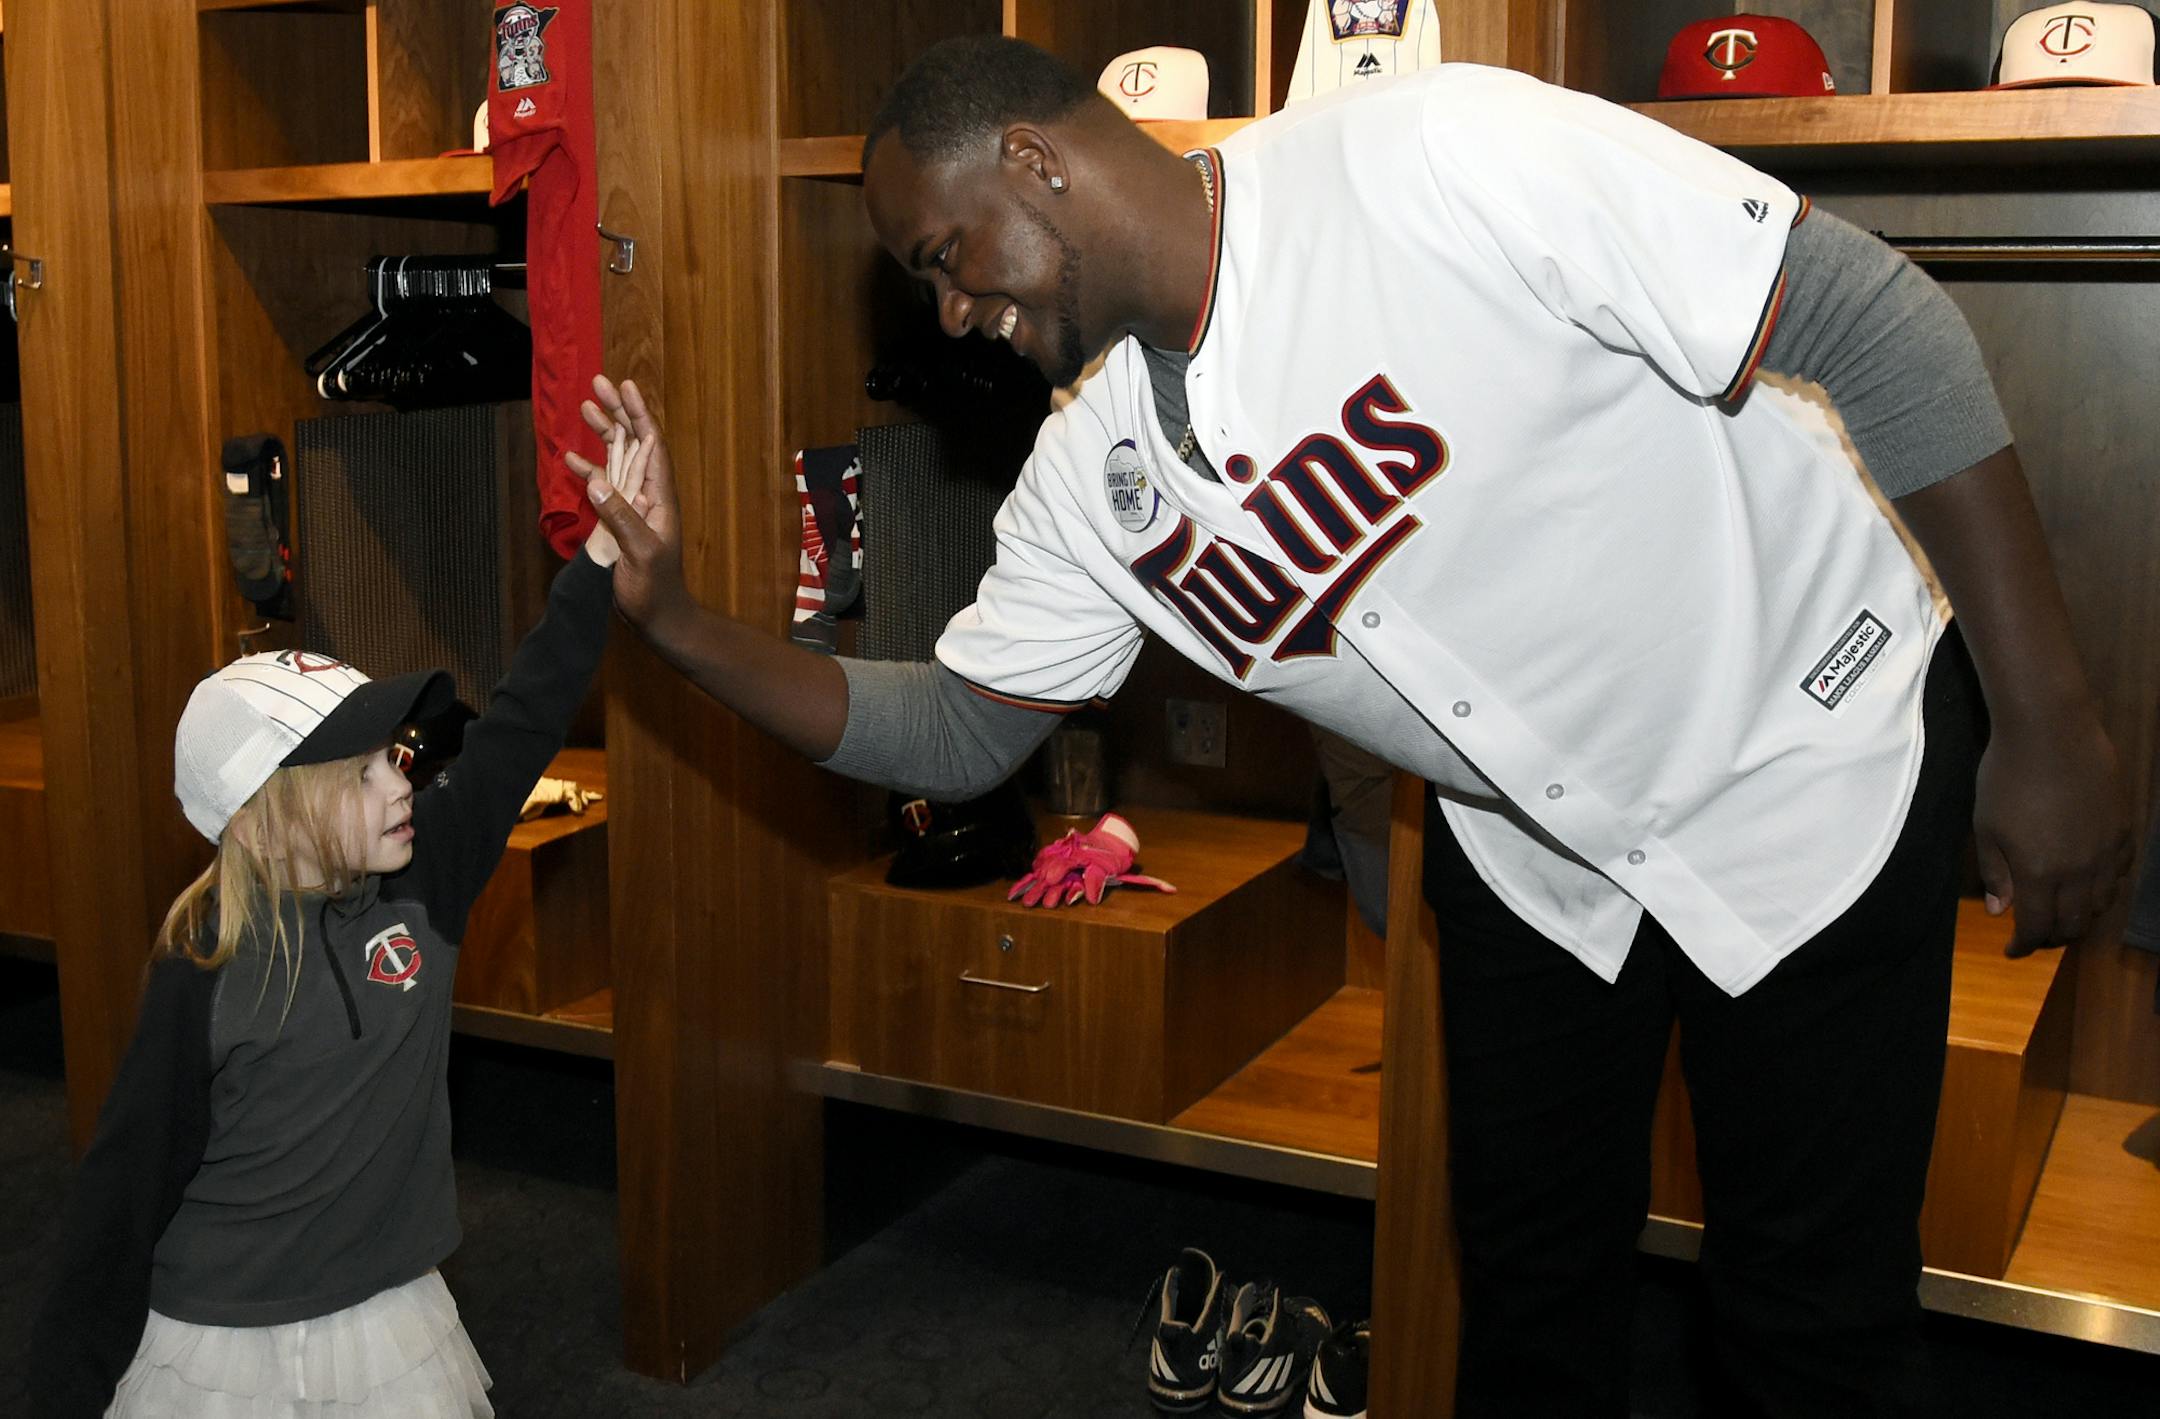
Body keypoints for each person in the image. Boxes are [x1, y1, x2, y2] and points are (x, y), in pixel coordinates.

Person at [576, 37, 2134, 1418]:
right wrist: (686, 629)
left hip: (1808, 757)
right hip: (1542, 856)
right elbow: (964, 729)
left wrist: (2049, 722)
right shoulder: (1085, 467)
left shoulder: (1433, 160)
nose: (951, 307)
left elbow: (1882, 323)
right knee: (1525, 1299)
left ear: (1036, 163)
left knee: (1808, 1326)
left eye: (948, 253)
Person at [28, 424, 653, 1418]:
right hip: (222, 1335)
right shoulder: (205, 963)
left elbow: (524, 717)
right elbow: (126, 1185)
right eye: (360, 773)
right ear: (270, 817)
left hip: (382, 1316)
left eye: (394, 756)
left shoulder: (423, 880)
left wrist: (604, 557)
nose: (400, 780)